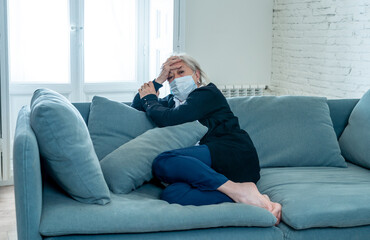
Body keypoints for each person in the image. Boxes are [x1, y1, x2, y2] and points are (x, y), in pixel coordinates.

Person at [131, 54, 281, 224]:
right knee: (172, 194)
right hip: (207, 166)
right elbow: (137, 106)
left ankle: (238, 188)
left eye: (181, 72)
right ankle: (251, 198)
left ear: (196, 75)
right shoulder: (172, 102)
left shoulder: (206, 93)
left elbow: (170, 118)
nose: (176, 79)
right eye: (170, 76)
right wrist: (159, 80)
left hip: (232, 154)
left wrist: (151, 99)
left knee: (163, 161)